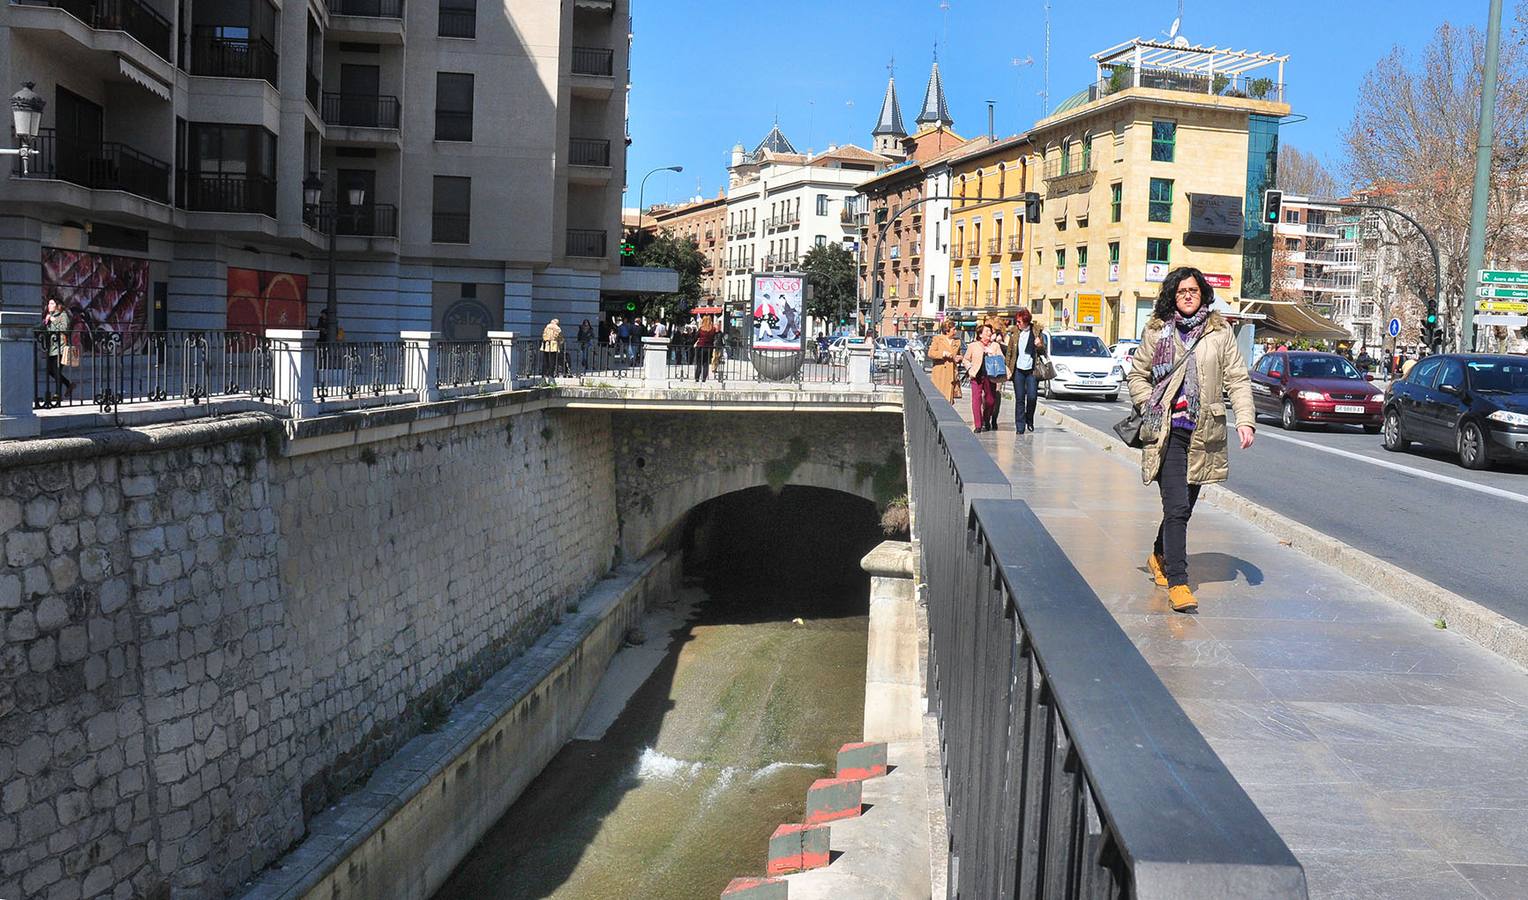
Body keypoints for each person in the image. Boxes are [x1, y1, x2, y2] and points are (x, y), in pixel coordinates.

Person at [1127, 267, 1256, 614]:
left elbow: (1237, 379)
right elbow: (1137, 375)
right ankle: (1179, 582)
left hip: (1204, 432)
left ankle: (1159, 553)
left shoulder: (1219, 331)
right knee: (1177, 508)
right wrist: (1149, 403)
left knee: (1185, 506)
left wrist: (1245, 421)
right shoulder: (1157, 330)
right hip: (1167, 431)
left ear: (1203, 295)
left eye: (1194, 291)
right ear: (1173, 295)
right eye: (1182, 290)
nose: (1187, 295)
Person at [1003, 309, 1046, 434]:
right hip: (1018, 370)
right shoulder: (1015, 333)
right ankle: (1020, 426)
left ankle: (1029, 419)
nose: (1017, 324)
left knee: (1032, 397)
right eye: (1017, 321)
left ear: (1026, 322)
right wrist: (1007, 367)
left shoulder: (1036, 332)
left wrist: (1039, 345)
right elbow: (1009, 352)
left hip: (1032, 370)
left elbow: (1043, 351)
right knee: (1020, 399)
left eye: (1019, 322)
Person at [962, 323, 1004, 433]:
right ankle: (978, 424)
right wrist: (969, 368)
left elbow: (1002, 359)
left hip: (990, 376)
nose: (989, 333)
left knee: (990, 401)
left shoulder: (995, 346)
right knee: (976, 400)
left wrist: (992, 354)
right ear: (980, 334)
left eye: (990, 331)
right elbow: (966, 359)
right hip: (976, 375)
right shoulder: (973, 346)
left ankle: (986, 419)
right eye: (987, 331)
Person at [44, 296, 75, 401]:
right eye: (49, 303)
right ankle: (68, 384)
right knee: (50, 370)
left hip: (61, 347)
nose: (49, 306)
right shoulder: (50, 316)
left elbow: (65, 329)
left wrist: (53, 321)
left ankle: (57, 394)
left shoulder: (63, 315)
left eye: (52, 303)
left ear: (58, 306)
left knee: (56, 370)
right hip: (52, 347)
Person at [927, 319, 962, 404]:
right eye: (954, 329)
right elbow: (931, 353)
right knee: (939, 398)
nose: (956, 331)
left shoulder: (957, 342)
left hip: (952, 373)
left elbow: (959, 355)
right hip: (940, 372)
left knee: (949, 399)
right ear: (947, 330)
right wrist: (943, 354)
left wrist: (960, 358)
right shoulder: (938, 339)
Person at [694, 315, 719, 382]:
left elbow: (696, 337)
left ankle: (697, 377)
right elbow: (715, 337)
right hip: (709, 348)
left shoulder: (701, 329)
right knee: (706, 364)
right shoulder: (713, 329)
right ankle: (704, 378)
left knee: (699, 363)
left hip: (700, 347)